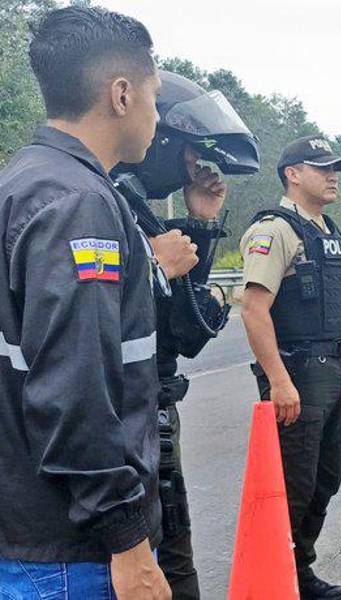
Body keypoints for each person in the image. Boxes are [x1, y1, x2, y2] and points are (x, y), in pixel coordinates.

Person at [0, 6, 170, 598]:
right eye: (154, 96)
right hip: (71, 549)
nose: (157, 116)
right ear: (121, 95)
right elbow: (75, 388)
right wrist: (127, 539)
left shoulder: (22, 180)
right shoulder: (78, 203)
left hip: (25, 529)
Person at [113, 69, 260, 600]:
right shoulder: (96, 203)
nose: (196, 169)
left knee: (174, 554)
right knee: (147, 565)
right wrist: (152, 267)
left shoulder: (137, 210)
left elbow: (187, 332)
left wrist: (201, 223)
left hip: (153, 411)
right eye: (192, 155)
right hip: (119, 421)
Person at [240, 135, 341, 600]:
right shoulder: (274, 230)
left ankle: (298, 571)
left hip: (332, 369)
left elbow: (336, 308)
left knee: (325, 479)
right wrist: (279, 380)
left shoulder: (329, 230)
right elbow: (253, 309)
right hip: (297, 373)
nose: (333, 176)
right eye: (322, 168)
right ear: (292, 174)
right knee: (292, 485)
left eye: (335, 168)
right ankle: (273, 583)